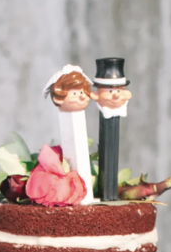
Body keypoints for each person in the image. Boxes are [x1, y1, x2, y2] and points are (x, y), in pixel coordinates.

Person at [43, 65, 95, 203]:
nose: (82, 97)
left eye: (84, 91)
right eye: (75, 93)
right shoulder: (67, 118)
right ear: (58, 98)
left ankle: (85, 196)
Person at [91, 57, 132, 201]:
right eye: (109, 90)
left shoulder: (119, 108)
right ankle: (105, 192)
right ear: (95, 95)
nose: (115, 95)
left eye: (119, 90)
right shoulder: (104, 110)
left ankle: (111, 193)